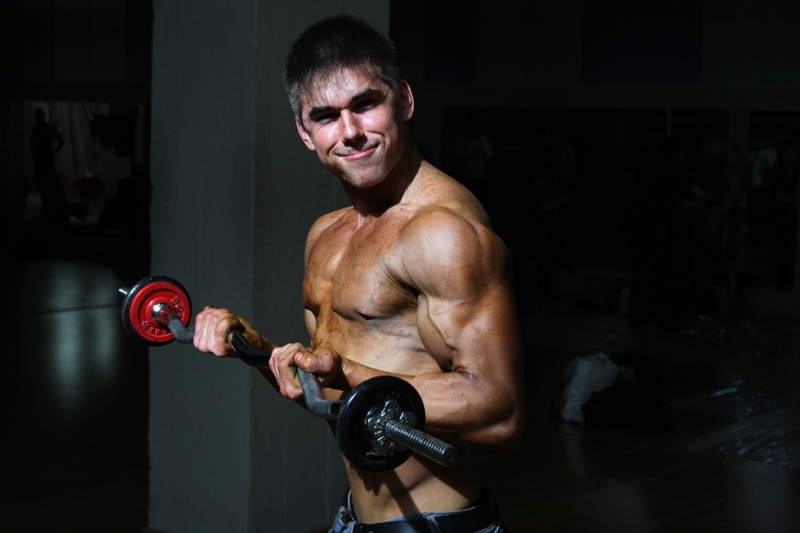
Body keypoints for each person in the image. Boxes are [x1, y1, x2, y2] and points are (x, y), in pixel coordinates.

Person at [192, 15, 525, 533]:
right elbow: (333, 393)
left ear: (404, 100)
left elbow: (501, 413)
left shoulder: (442, 233)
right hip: (355, 518)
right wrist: (256, 349)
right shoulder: (326, 234)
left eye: (365, 104)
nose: (349, 132)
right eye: (326, 116)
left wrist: (344, 371)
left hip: (438, 525)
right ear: (305, 133)